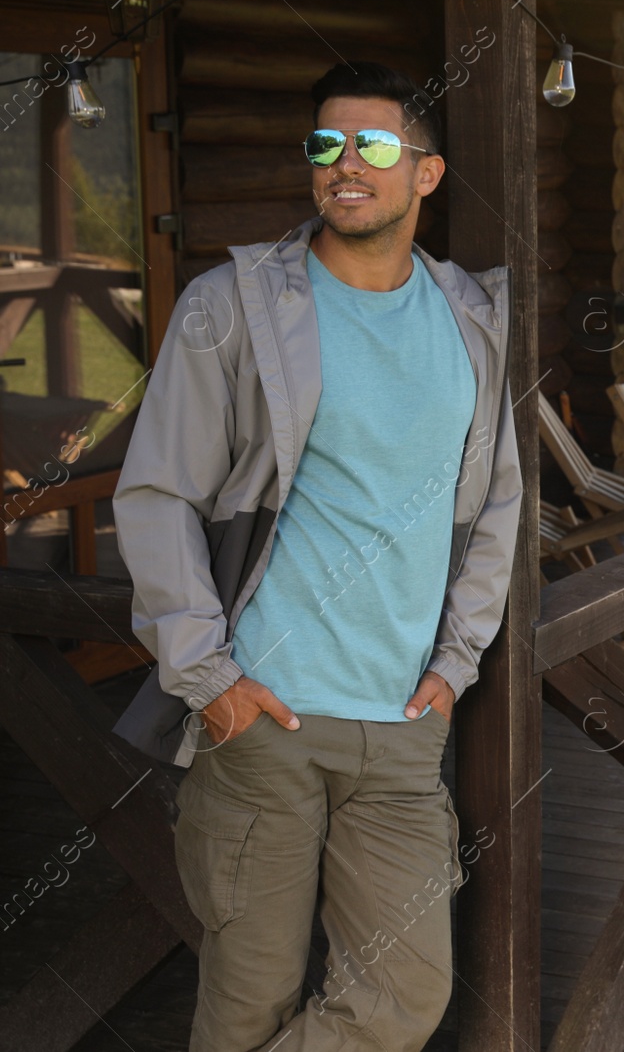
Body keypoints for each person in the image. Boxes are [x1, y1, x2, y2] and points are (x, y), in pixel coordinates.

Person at [111, 60, 521, 1051]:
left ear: (426, 173)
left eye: (373, 145)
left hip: (400, 733)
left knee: (403, 997)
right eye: (326, 144)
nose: (346, 164)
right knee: (246, 1004)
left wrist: (456, 662)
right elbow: (158, 492)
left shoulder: (472, 321)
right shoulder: (234, 306)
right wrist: (210, 676)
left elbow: (497, 499)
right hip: (265, 722)